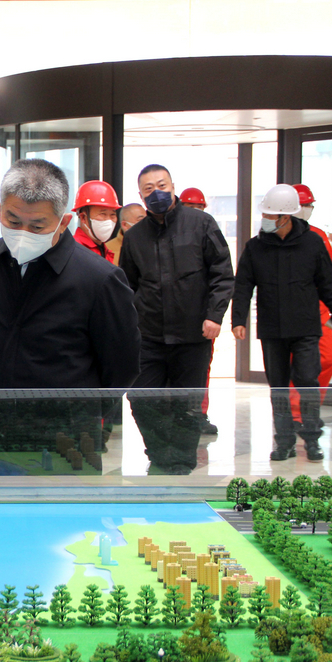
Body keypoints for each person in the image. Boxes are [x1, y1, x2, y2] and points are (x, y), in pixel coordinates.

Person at [0, 159, 141, 390]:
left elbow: (122, 368)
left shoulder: (100, 280)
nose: (23, 234)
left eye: (37, 227)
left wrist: (82, 409)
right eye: (13, 221)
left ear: (64, 222)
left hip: (65, 413)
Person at [119, 164, 234, 475]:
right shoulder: (135, 237)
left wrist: (215, 315)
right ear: (140, 195)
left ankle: (182, 462)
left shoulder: (201, 224)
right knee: (142, 399)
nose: (156, 192)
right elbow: (127, 286)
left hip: (193, 335)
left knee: (187, 404)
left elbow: (222, 273)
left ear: (172, 186)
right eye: (148, 189)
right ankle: (159, 455)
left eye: (162, 185)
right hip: (149, 337)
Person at [231, 184, 332, 462]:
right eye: (265, 214)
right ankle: (283, 441)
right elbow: (243, 285)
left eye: (270, 215)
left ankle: (312, 440)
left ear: (286, 217)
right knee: (279, 387)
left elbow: (327, 282)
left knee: (308, 381)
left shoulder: (313, 243)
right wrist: (238, 319)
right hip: (272, 329)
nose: (265, 219)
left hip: (306, 327)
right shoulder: (255, 247)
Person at [288, 183, 332, 432]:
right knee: (294, 364)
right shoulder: (274, 238)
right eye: (303, 205)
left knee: (329, 357)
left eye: (309, 205)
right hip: (290, 314)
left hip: (318, 313)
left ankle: (308, 410)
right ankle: (295, 415)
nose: (306, 209)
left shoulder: (319, 237)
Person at [181, 186, 218, 435]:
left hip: (201, 320)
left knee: (202, 370)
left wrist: (213, 315)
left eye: (199, 208)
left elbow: (220, 276)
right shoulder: (173, 236)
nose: (196, 213)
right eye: (191, 208)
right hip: (171, 321)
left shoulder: (209, 235)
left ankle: (198, 414)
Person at [72, 180, 121, 264]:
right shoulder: (73, 250)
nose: (109, 220)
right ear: (83, 217)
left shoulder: (105, 250)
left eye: (112, 215)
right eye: (103, 214)